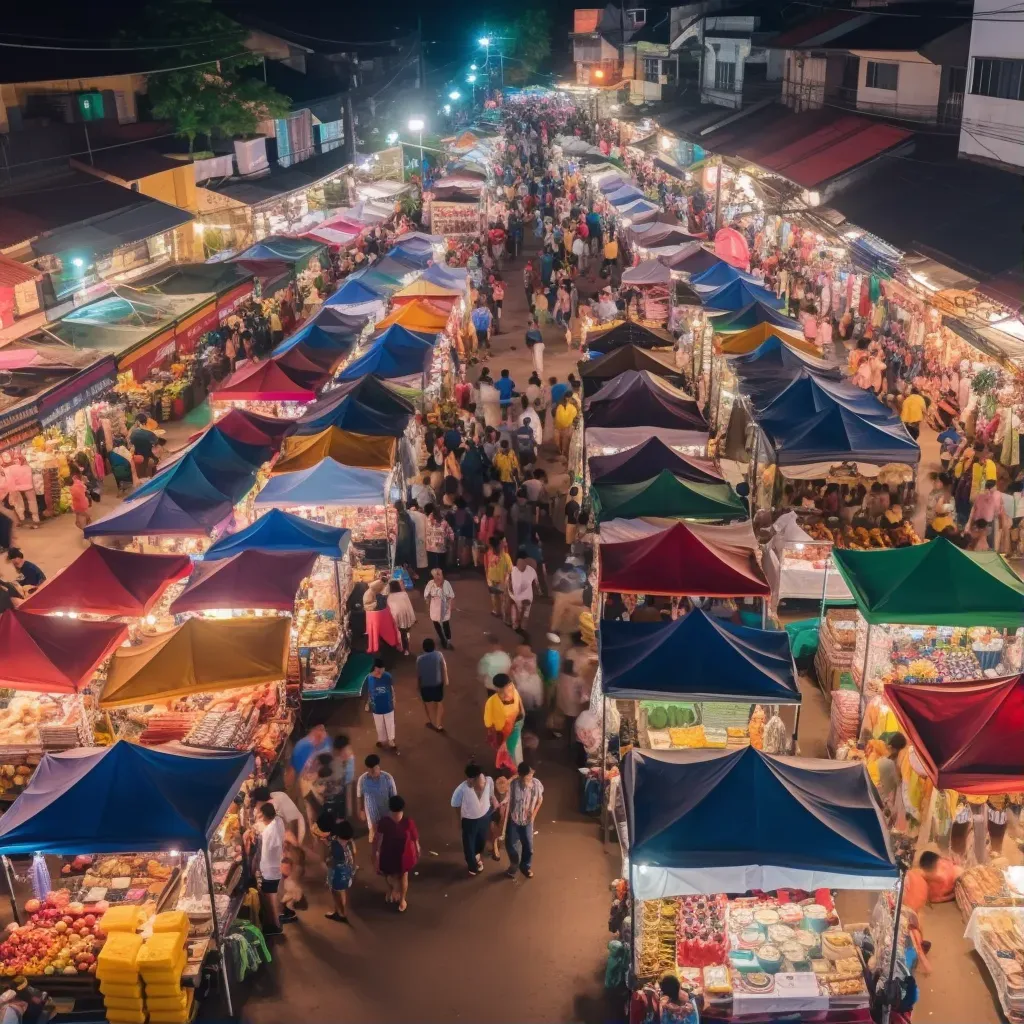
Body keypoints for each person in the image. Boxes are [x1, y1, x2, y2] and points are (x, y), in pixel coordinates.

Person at [451, 763, 498, 876]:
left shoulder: (489, 781)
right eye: (469, 780)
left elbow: (491, 792)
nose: (470, 783)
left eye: (473, 781)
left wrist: (494, 799)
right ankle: (472, 866)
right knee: (469, 843)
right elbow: (455, 804)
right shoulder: (461, 789)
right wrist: (460, 819)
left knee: (481, 840)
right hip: (469, 820)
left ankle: (477, 855)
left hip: (485, 816)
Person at [373, 795, 419, 912]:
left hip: (387, 853)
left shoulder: (384, 822)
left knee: (387, 874)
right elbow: (415, 839)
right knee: (403, 876)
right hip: (405, 855)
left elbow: (377, 839)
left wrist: (375, 854)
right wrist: (417, 852)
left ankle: (391, 890)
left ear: (390, 808)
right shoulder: (408, 822)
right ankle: (402, 899)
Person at [505, 762, 544, 879]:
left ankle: (525, 867)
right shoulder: (513, 784)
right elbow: (502, 790)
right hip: (514, 820)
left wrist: (534, 814)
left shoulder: (537, 785)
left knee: (528, 847)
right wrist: (512, 778)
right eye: (526, 775)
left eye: (531, 774)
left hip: (527, 822)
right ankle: (514, 865)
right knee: (511, 845)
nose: (529, 777)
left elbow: (540, 800)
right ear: (520, 775)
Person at [258, 803, 291, 929]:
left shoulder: (269, 832)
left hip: (270, 869)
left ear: (265, 816)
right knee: (275, 895)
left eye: (261, 814)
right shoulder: (278, 821)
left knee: (270, 898)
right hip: (276, 865)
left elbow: (266, 851)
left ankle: (275, 926)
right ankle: (277, 919)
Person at [484, 674, 525, 772]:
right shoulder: (491, 702)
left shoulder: (514, 693)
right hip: (503, 733)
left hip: (515, 729)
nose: (506, 692)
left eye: (508, 687)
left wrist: (520, 722)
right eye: (503, 690)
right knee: (510, 752)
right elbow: (489, 724)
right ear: (497, 689)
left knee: (514, 752)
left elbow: (521, 708)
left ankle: (514, 770)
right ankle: (511, 768)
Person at [356, 754, 397, 842]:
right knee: (374, 838)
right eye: (370, 771)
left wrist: (395, 814)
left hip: (387, 813)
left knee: (389, 836)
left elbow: (394, 797)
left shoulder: (388, 778)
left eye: (374, 771)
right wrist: (361, 810)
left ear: (378, 767)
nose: (372, 773)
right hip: (372, 815)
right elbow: (359, 796)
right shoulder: (362, 780)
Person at [324, 819, 356, 923]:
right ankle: (340, 911)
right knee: (342, 890)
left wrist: (327, 861)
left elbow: (332, 862)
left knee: (335, 892)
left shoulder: (336, 846)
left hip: (337, 873)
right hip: (347, 872)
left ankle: (341, 913)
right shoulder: (349, 843)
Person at [416, 637, 449, 732]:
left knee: (427, 703)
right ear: (434, 646)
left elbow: (418, 674)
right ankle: (438, 724)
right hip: (437, 683)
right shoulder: (439, 655)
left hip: (425, 685)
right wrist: (446, 680)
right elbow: (444, 667)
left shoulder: (419, 659)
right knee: (439, 703)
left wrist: (418, 685)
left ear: (423, 648)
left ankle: (431, 721)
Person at [366, 659, 398, 754]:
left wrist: (394, 699)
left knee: (390, 723)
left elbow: (391, 688)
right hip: (376, 705)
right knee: (379, 724)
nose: (382, 671)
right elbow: (370, 691)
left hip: (387, 703)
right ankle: (381, 739)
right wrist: (368, 703)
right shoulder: (370, 678)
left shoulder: (387, 676)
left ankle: (391, 740)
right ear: (376, 668)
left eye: (383, 669)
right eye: (380, 669)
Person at [508, 551, 540, 634]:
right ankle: (521, 627)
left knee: (519, 611)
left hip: (519, 597)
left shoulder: (514, 570)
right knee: (523, 612)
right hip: (522, 597)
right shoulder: (529, 570)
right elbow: (536, 583)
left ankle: (518, 626)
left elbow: (509, 583)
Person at [386, 578, 416, 655]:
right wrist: (412, 618)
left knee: (397, 632)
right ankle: (406, 649)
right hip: (404, 617)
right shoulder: (404, 594)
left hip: (394, 618)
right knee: (404, 633)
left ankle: (398, 647)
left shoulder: (389, 596)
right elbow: (409, 606)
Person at [424, 505, 454, 571]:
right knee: (441, 565)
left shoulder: (427, 522)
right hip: (441, 547)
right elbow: (450, 533)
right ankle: (441, 576)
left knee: (432, 564)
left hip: (430, 547)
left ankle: (432, 577)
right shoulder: (444, 523)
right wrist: (451, 541)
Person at [553, 393, 578, 458]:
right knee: (560, 441)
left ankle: (563, 453)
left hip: (565, 427)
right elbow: (553, 412)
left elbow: (575, 415)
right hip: (560, 427)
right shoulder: (560, 404)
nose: (568, 399)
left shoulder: (572, 405)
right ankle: (561, 452)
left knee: (564, 442)